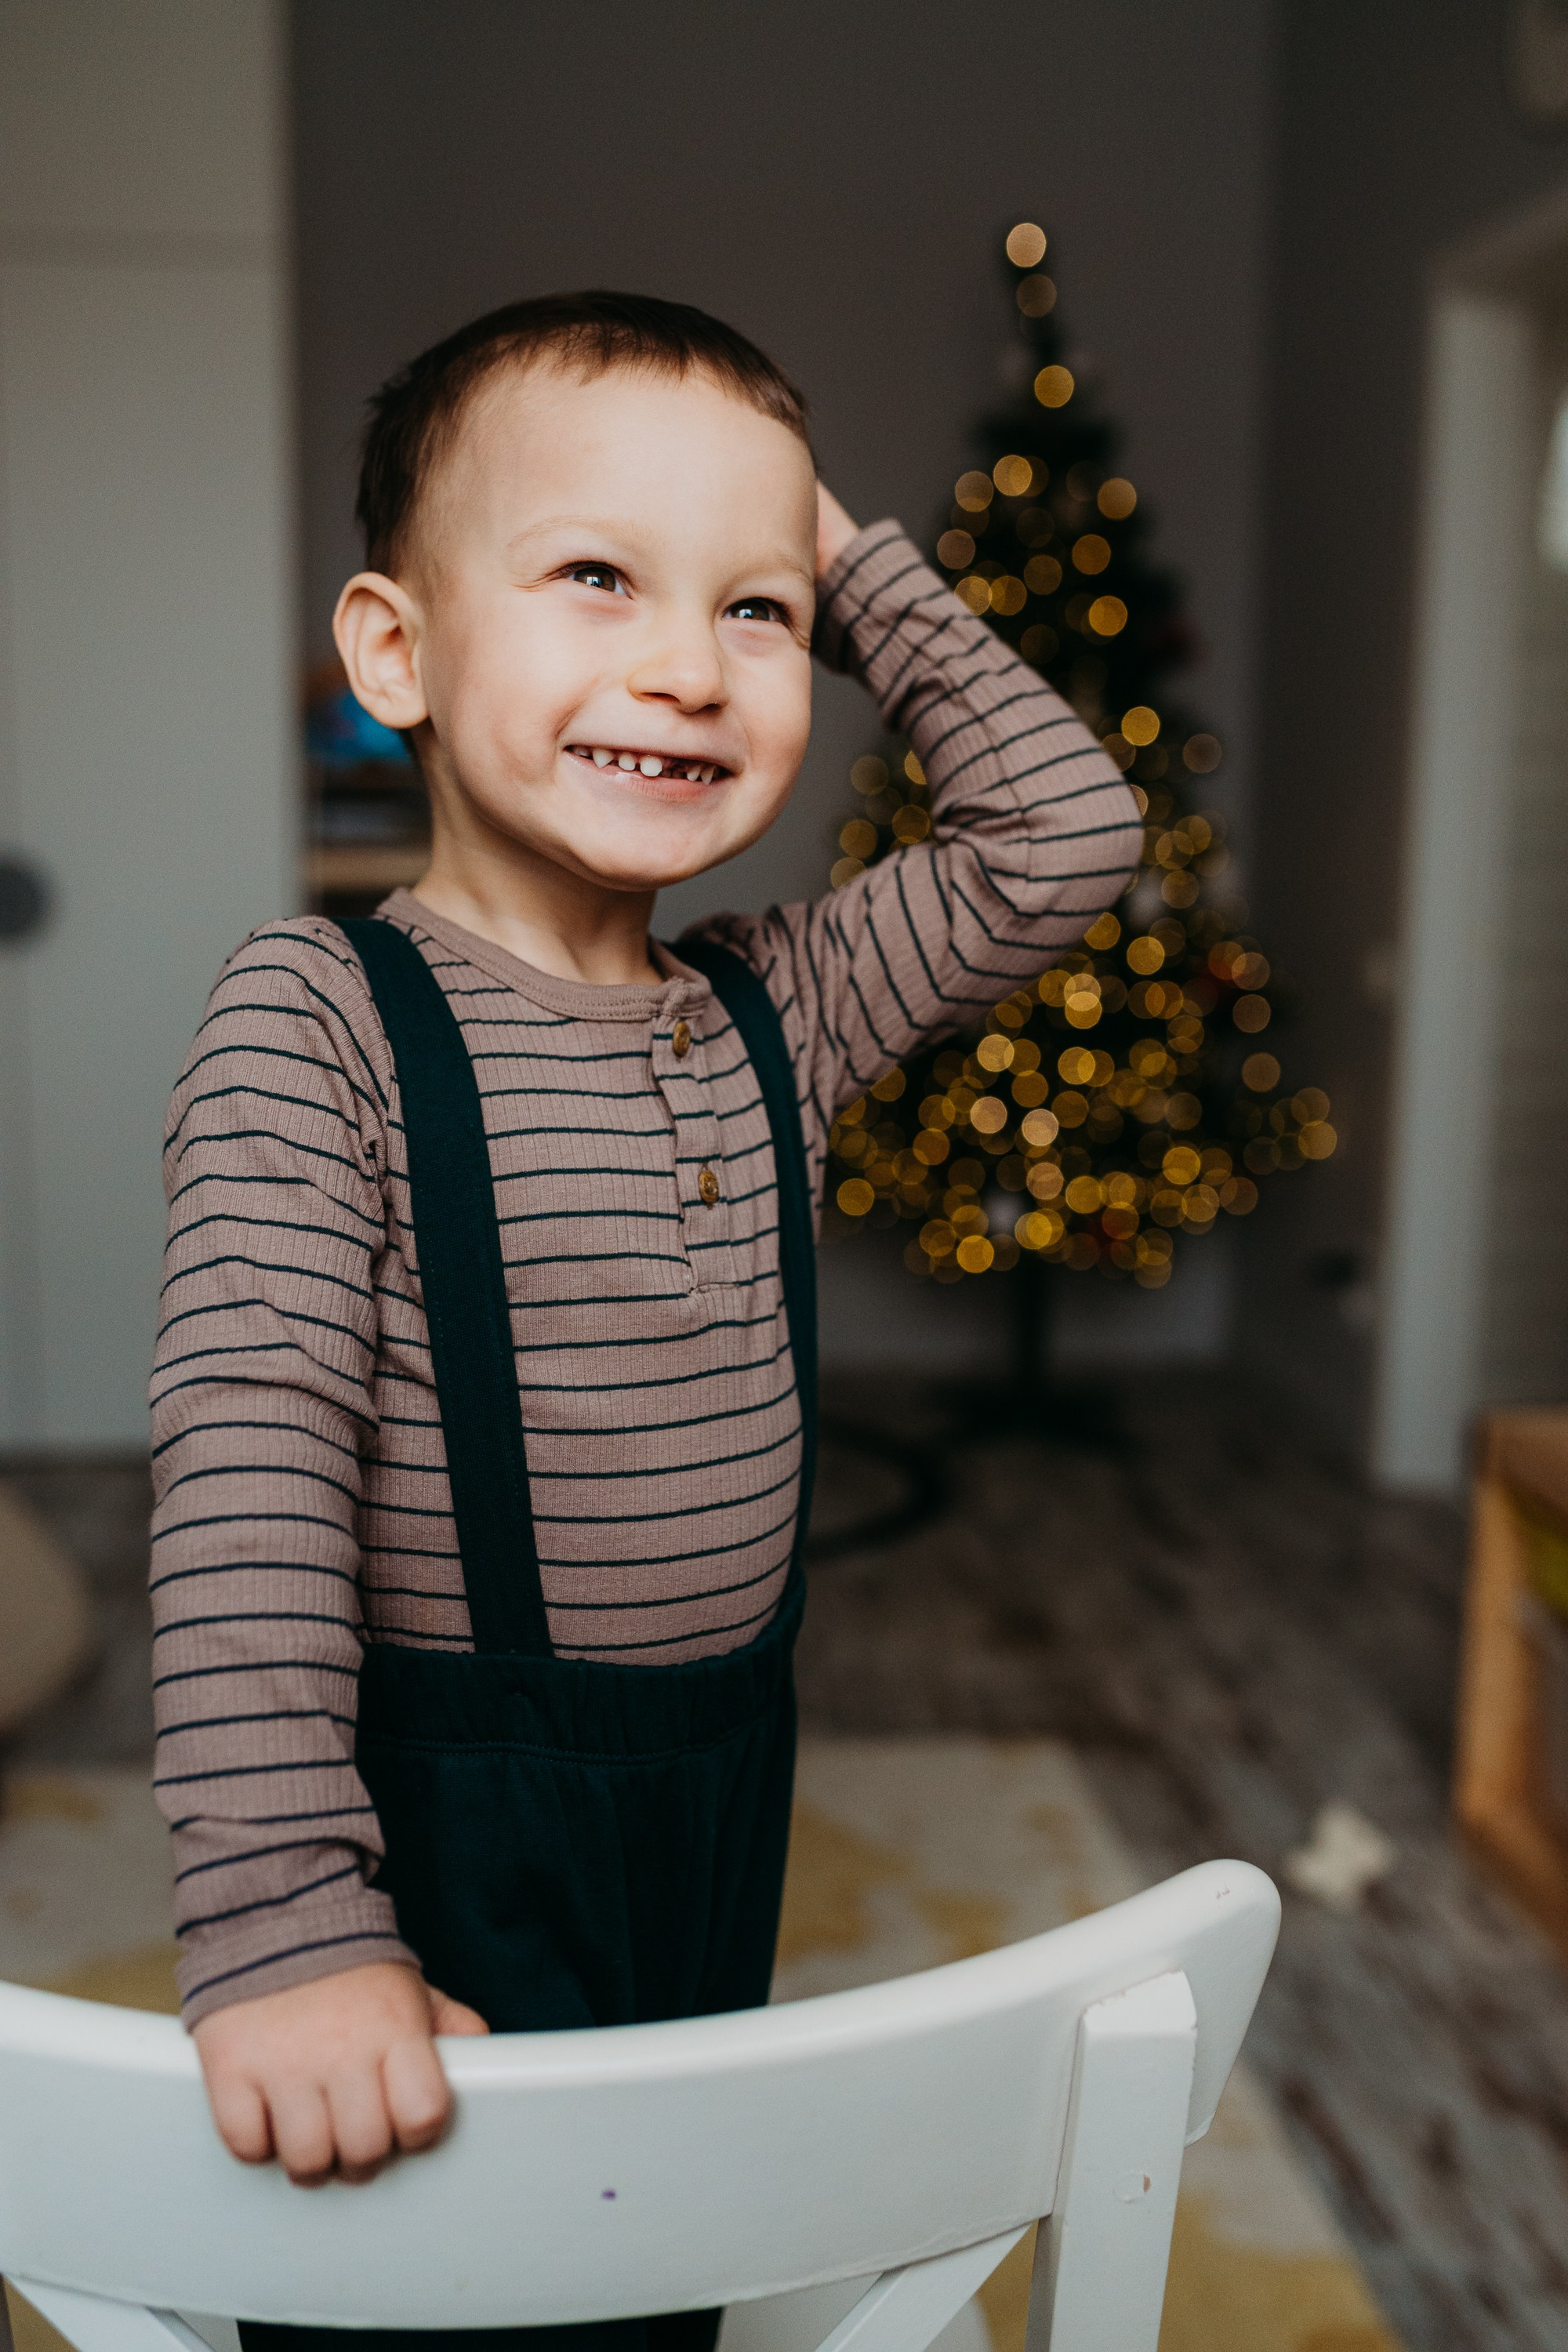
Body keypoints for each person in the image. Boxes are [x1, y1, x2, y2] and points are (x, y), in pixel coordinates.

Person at [149, 289, 1139, 2313]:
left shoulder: (782, 1003)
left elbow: (1066, 833)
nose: (687, 669)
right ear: (395, 651)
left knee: (650, 2278)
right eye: (598, 576)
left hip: (714, 1785)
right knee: (418, 2294)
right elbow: (245, 1495)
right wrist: (286, 1925)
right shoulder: (314, 1020)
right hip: (429, 1821)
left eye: (752, 613)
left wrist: (844, 555)